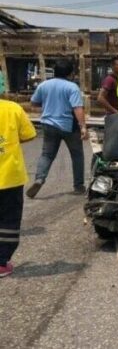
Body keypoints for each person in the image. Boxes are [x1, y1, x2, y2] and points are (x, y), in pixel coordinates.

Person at [27, 59, 87, 198]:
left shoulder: (44, 85)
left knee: (47, 155)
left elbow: (34, 102)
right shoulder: (72, 87)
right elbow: (77, 107)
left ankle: (39, 179)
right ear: (71, 73)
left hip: (48, 125)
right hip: (68, 126)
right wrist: (83, 126)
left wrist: (48, 102)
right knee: (77, 155)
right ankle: (78, 186)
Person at [0, 89, 37, 277]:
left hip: (11, 177)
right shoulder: (13, 109)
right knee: (8, 219)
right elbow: (29, 135)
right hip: (9, 177)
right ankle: (1, 262)